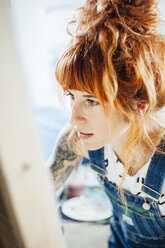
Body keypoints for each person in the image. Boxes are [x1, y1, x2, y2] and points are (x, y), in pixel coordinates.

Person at [49, 0, 165, 247]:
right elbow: (34, 199)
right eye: (72, 96)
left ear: (138, 104)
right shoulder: (78, 138)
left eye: (91, 101)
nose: (73, 119)